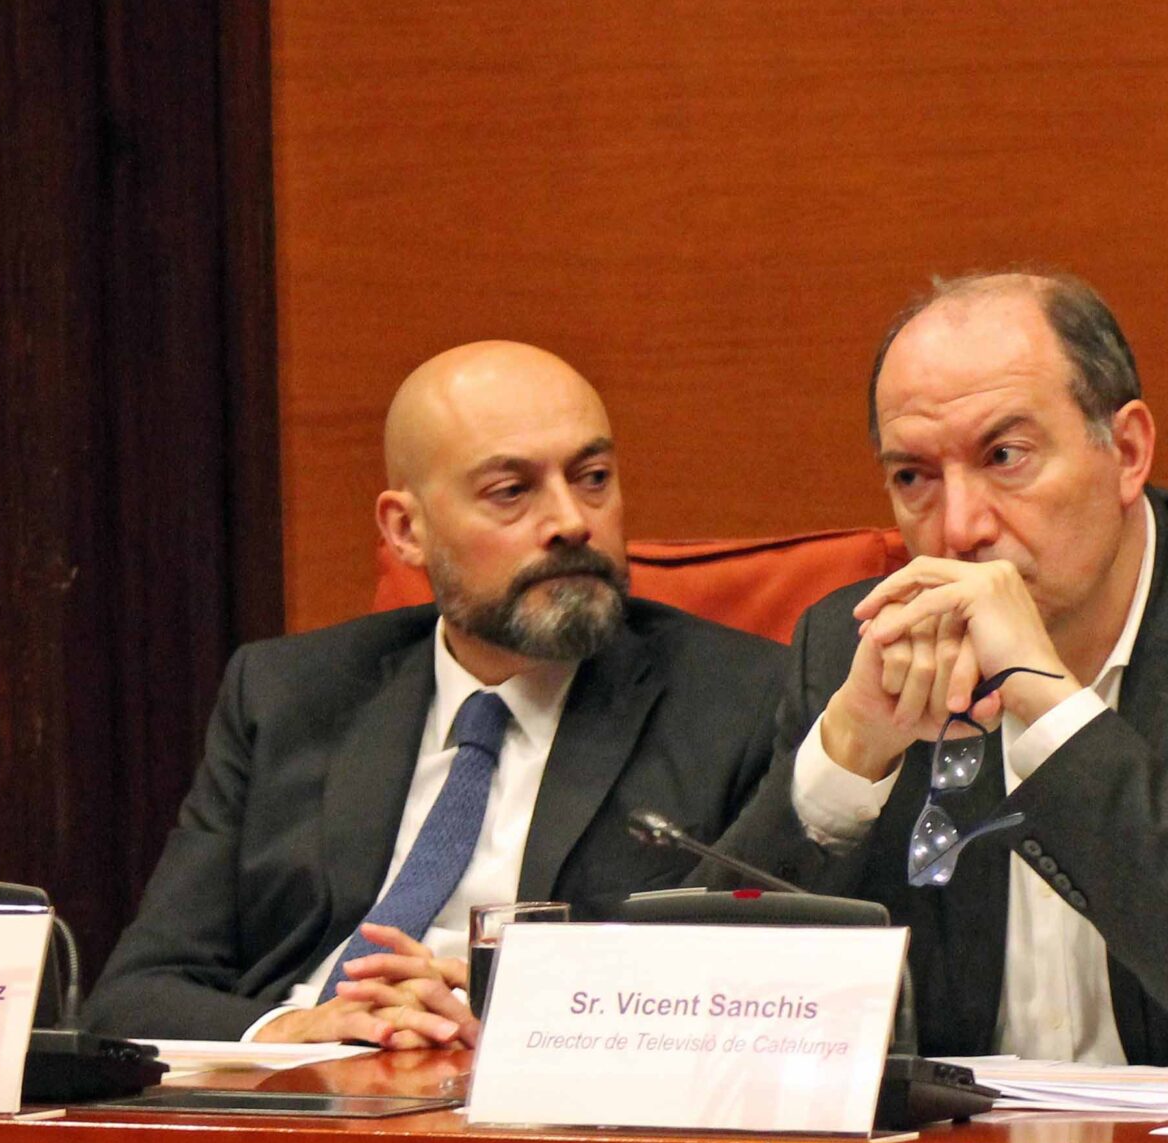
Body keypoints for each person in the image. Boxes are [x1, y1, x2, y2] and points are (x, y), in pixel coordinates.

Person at [710, 271, 1168, 1069]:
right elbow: (699, 1026)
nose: (959, 527)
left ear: (1126, 452)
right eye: (913, 477)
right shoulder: (861, 656)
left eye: (1005, 456)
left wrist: (1052, 711)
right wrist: (843, 757)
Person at [86, 341, 793, 1045]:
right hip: (295, 1103)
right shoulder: (284, 696)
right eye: (511, 492)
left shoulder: (737, 700)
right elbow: (134, 996)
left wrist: (517, 1022)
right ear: (406, 530)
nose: (572, 520)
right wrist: (299, 1030)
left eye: (593, 476)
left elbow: (748, 998)